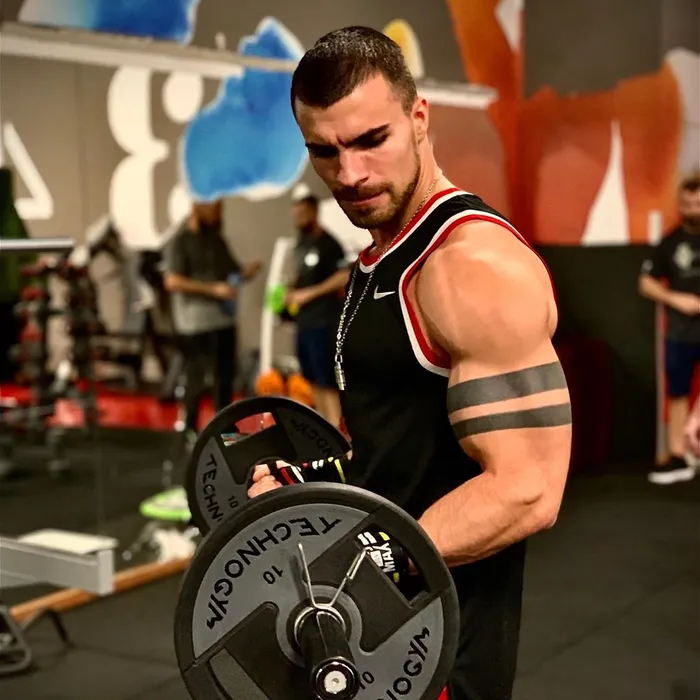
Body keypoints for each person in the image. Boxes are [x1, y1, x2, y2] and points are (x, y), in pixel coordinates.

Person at [249, 26, 572, 700]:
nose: (350, 174)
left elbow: (528, 491)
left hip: (436, 658)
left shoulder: (468, 268)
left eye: (372, 140)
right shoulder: (380, 257)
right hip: (368, 642)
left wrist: (360, 573)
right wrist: (310, 482)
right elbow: (396, 450)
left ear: (418, 117)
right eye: (325, 151)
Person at [163, 199, 262, 443]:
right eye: (215, 209)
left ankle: (226, 434)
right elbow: (172, 281)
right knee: (196, 377)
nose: (219, 214)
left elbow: (231, 273)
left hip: (222, 321)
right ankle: (189, 429)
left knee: (224, 379)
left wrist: (246, 272)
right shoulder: (181, 240)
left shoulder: (216, 239)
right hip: (195, 323)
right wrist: (212, 290)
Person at [639, 173, 700, 485]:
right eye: (687, 204)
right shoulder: (671, 242)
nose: (692, 210)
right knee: (678, 392)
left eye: (698, 203)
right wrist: (677, 299)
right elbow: (646, 282)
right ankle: (679, 454)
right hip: (680, 331)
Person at [286, 191, 349, 427]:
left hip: (323, 322)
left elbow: (343, 276)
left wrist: (309, 294)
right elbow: (300, 276)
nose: (299, 218)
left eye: (303, 213)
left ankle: (336, 430)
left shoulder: (328, 244)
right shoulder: (300, 245)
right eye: (296, 214)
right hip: (303, 322)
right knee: (311, 378)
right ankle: (324, 425)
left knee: (326, 380)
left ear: (314, 212)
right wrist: (291, 292)